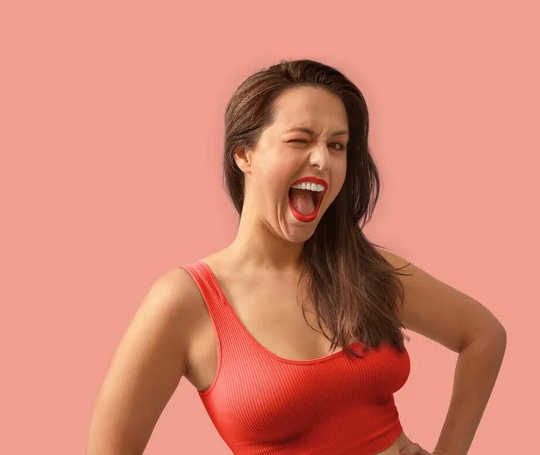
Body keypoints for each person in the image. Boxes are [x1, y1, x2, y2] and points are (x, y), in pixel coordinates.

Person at [86, 59, 507, 455]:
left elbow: (483, 335)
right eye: (299, 140)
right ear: (243, 155)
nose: (323, 159)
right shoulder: (185, 300)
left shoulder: (363, 269)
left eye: (337, 145)